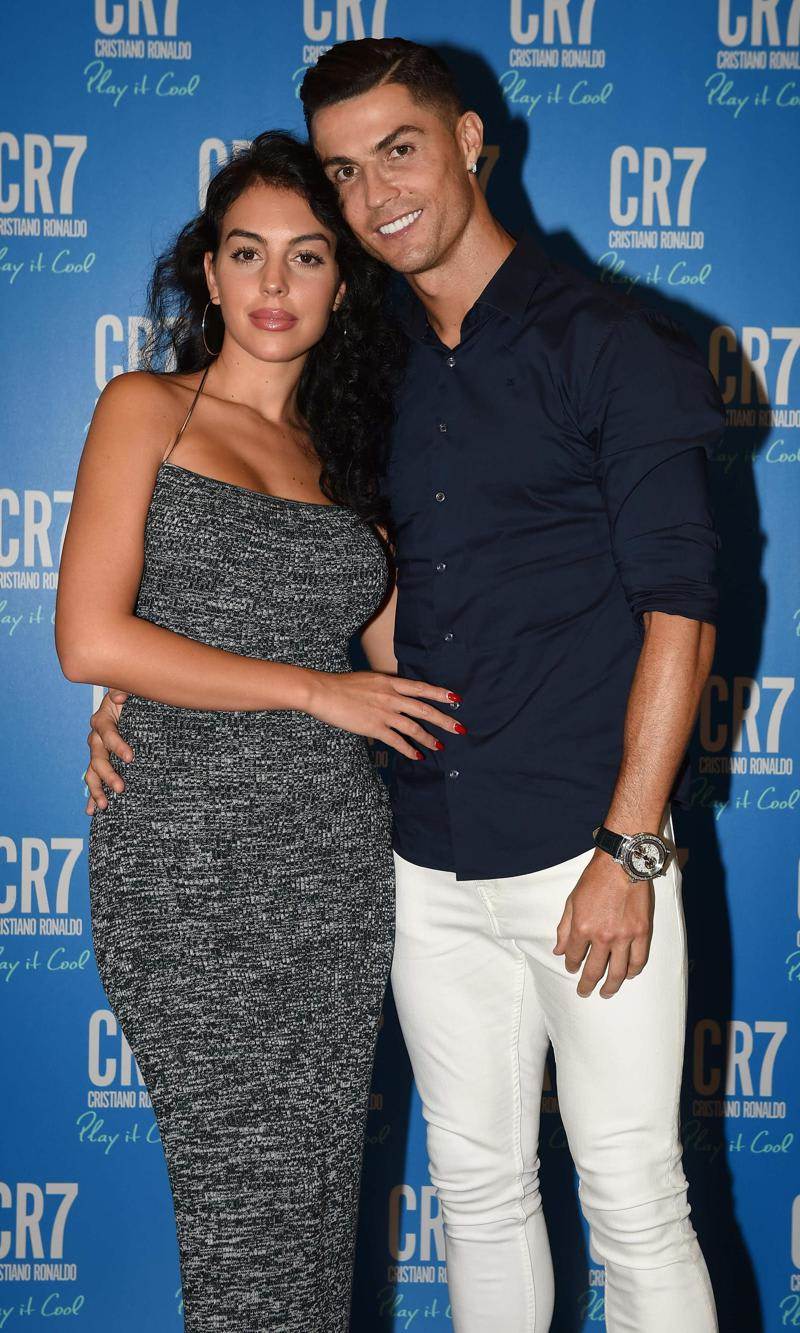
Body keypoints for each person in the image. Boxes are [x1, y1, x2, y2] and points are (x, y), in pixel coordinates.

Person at [86, 39, 724, 1333]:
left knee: (634, 1200)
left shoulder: (608, 344)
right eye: (343, 170)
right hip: (414, 860)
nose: (373, 192)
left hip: (582, 850)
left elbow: (682, 609)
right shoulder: (370, 378)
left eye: (398, 150)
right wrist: (139, 679)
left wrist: (631, 845)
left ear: (469, 142)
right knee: (473, 1195)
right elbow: (331, 613)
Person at [56, 130, 463, 1333]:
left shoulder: (348, 462)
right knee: (237, 1216)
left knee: (312, 1218)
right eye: (247, 254)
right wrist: (311, 690)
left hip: (331, 873)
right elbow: (90, 639)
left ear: (342, 284)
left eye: (306, 257)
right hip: (185, 870)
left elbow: (405, 662)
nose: (274, 284)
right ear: (210, 273)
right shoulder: (147, 409)